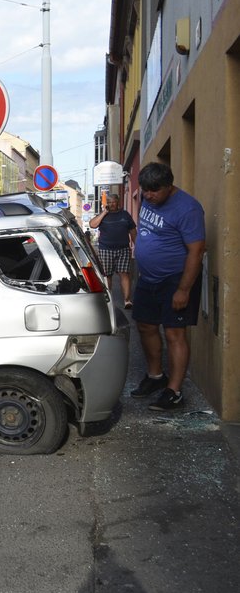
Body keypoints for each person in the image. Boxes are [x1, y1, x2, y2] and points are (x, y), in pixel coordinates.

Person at [129, 162, 205, 411]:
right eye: (145, 190)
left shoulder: (188, 208)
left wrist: (184, 289)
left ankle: (174, 391)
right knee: (145, 325)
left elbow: (196, 251)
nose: (148, 196)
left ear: (169, 186)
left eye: (154, 191)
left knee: (174, 333)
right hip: (147, 278)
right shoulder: (147, 198)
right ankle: (155, 377)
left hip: (175, 279)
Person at [89, 194, 137, 308]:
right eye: (109, 202)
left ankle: (127, 300)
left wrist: (138, 247)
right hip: (106, 249)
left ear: (118, 202)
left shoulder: (125, 215)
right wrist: (104, 212)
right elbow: (92, 224)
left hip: (123, 249)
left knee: (124, 274)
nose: (111, 204)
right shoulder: (103, 215)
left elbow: (133, 232)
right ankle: (108, 299)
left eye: (113, 202)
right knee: (107, 275)